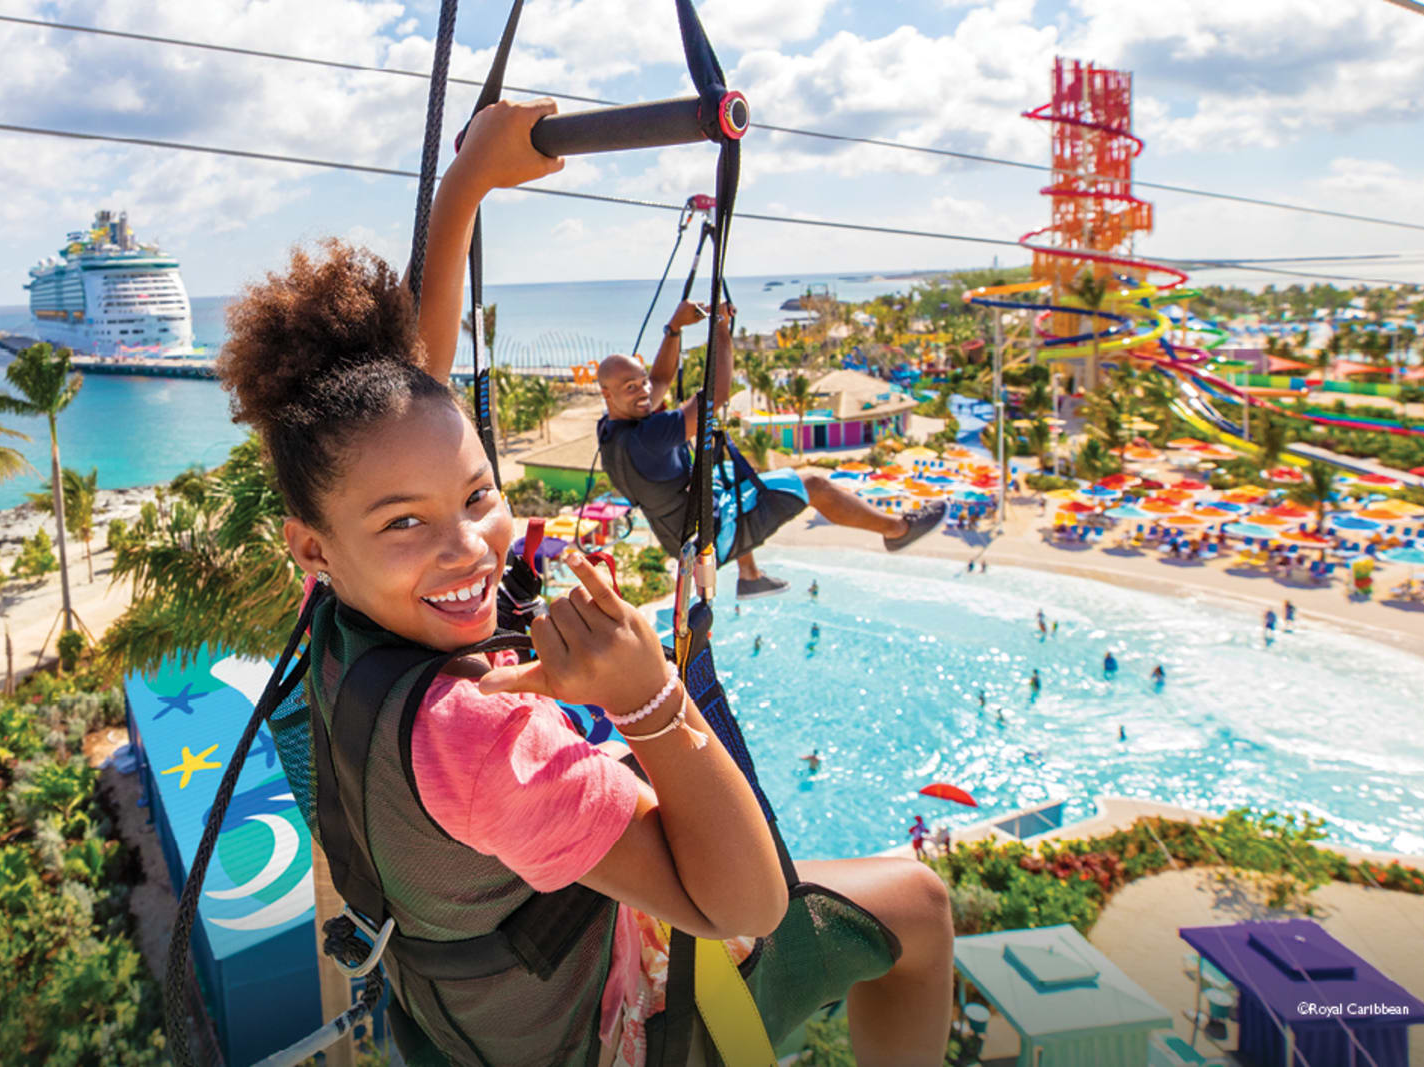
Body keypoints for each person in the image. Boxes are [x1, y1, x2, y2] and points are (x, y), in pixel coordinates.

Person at [215, 101, 953, 1067]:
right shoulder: (481, 736)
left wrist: (466, 186)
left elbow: (405, 405)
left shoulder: (338, 602)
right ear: (315, 547)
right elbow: (748, 902)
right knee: (924, 910)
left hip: (460, 1018)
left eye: (479, 494)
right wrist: (649, 701)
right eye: (408, 521)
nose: (468, 547)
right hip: (613, 1028)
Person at [596, 308, 943, 601]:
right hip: (712, 536)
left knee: (724, 476)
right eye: (631, 387)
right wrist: (721, 329)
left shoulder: (611, 430)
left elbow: (659, 380)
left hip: (683, 531)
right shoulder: (649, 436)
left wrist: (674, 329)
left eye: (640, 382)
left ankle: (749, 576)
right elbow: (716, 395)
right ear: (608, 394)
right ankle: (897, 531)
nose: (643, 391)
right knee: (815, 485)